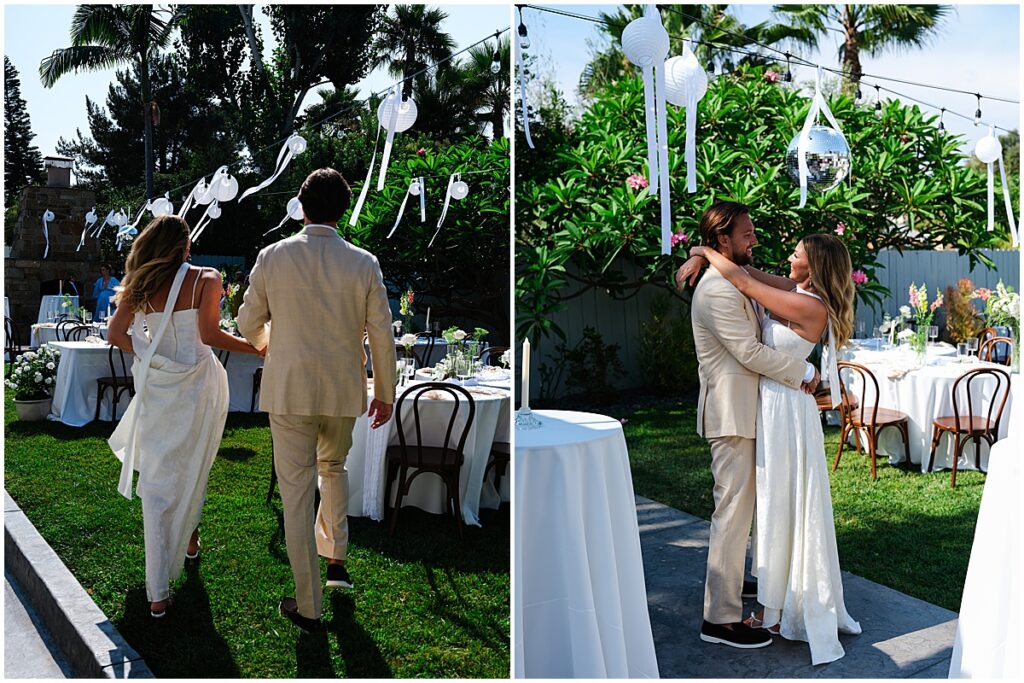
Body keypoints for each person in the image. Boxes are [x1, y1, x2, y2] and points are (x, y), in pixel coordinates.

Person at [678, 206, 862, 665]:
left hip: (771, 412)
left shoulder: (768, 286)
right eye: (747, 233)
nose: (756, 240)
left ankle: (752, 583)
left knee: (764, 506)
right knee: (734, 513)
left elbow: (750, 282)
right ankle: (719, 619)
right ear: (725, 239)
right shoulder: (719, 288)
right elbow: (747, 350)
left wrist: (704, 252)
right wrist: (804, 369)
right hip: (736, 414)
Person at [237, 168, 396, 633]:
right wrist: (383, 392)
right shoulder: (364, 263)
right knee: (334, 469)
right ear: (343, 210)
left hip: (290, 389)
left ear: (301, 207)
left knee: (297, 493)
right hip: (342, 390)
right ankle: (337, 562)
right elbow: (381, 335)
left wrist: (269, 344)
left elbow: (247, 320)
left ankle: (308, 606)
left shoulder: (273, 256)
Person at [106, 215, 264, 619]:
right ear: (185, 244)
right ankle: (171, 570)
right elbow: (210, 336)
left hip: (159, 387)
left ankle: (173, 568)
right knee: (195, 463)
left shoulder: (140, 283)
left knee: (160, 477)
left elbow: (115, 334)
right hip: (198, 385)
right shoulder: (206, 278)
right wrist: (258, 349)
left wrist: (147, 355)